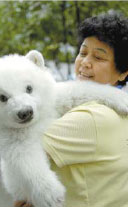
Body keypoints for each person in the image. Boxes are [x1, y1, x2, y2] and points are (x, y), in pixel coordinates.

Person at [15, 10, 128, 207]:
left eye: (99, 58)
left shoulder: (90, 118)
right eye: (83, 53)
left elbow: (18, 151)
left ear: (122, 73)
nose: (85, 62)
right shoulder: (117, 108)